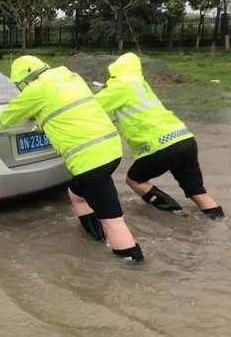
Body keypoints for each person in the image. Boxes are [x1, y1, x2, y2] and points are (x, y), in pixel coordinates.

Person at [0, 56, 144, 262]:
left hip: (90, 160)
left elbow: (2, 121)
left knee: (114, 220)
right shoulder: (71, 78)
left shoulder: (36, 90)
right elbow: (64, 108)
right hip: (111, 150)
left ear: (23, 81)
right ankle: (95, 237)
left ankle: (131, 263)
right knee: (76, 192)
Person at [95, 52, 224, 219]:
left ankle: (176, 215)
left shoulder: (120, 86)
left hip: (162, 145)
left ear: (115, 70)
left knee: (134, 180)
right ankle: (218, 222)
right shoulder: (141, 84)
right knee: (196, 191)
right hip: (185, 139)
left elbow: (90, 106)